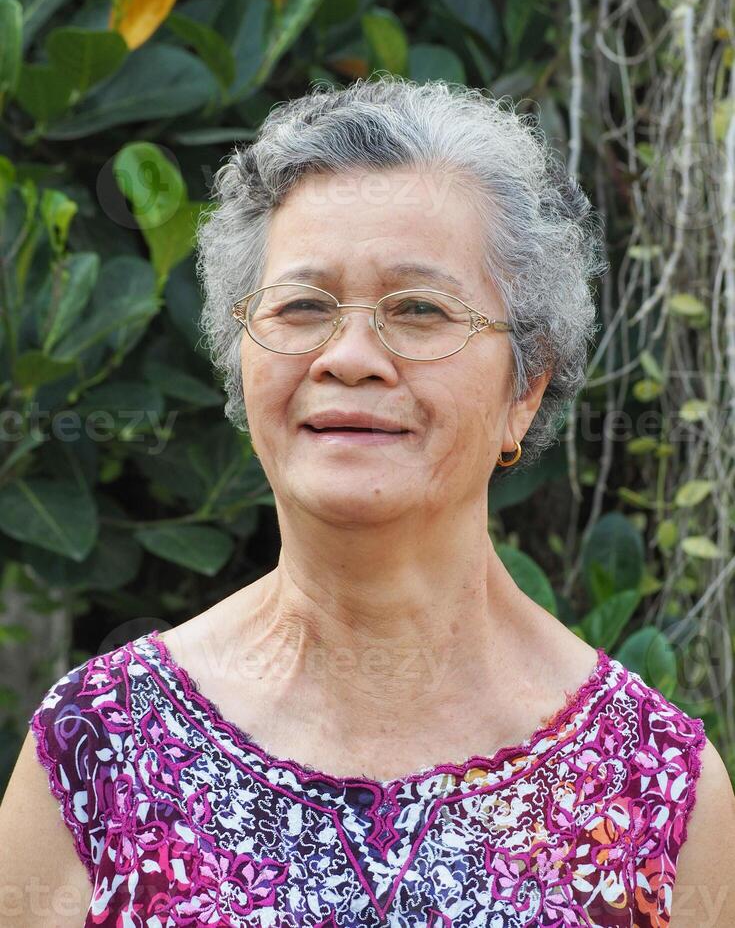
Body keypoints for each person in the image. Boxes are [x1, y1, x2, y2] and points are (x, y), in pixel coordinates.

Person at [1, 76, 733, 927]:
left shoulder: (655, 789)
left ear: (524, 388)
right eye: (303, 306)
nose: (349, 356)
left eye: (418, 309)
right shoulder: (97, 749)